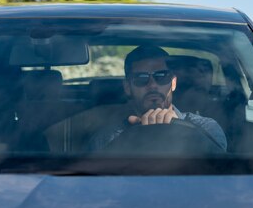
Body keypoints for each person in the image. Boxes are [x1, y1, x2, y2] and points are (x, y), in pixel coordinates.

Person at [89, 45, 227, 151]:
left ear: (173, 82)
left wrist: (182, 129)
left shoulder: (207, 128)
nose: (152, 85)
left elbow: (222, 175)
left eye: (161, 76)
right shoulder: (107, 137)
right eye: (141, 78)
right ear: (127, 87)